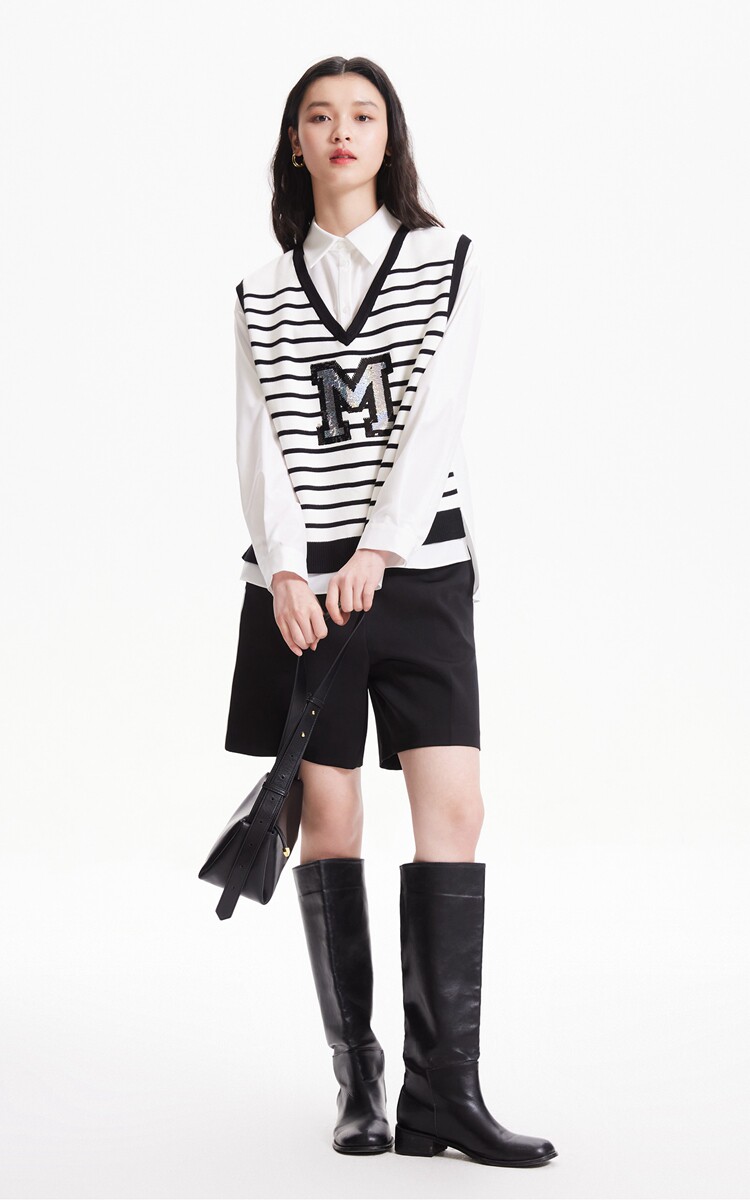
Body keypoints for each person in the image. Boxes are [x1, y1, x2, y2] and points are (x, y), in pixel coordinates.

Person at [224, 54, 557, 1170]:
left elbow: (436, 415)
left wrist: (379, 547)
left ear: (388, 135)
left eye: (362, 114)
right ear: (296, 143)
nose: (341, 131)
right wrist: (287, 572)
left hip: (418, 573)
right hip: (301, 593)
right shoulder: (261, 291)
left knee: (454, 809)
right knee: (330, 822)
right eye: (320, 116)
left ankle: (444, 1091)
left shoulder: (442, 258)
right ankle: (359, 1078)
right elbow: (261, 438)